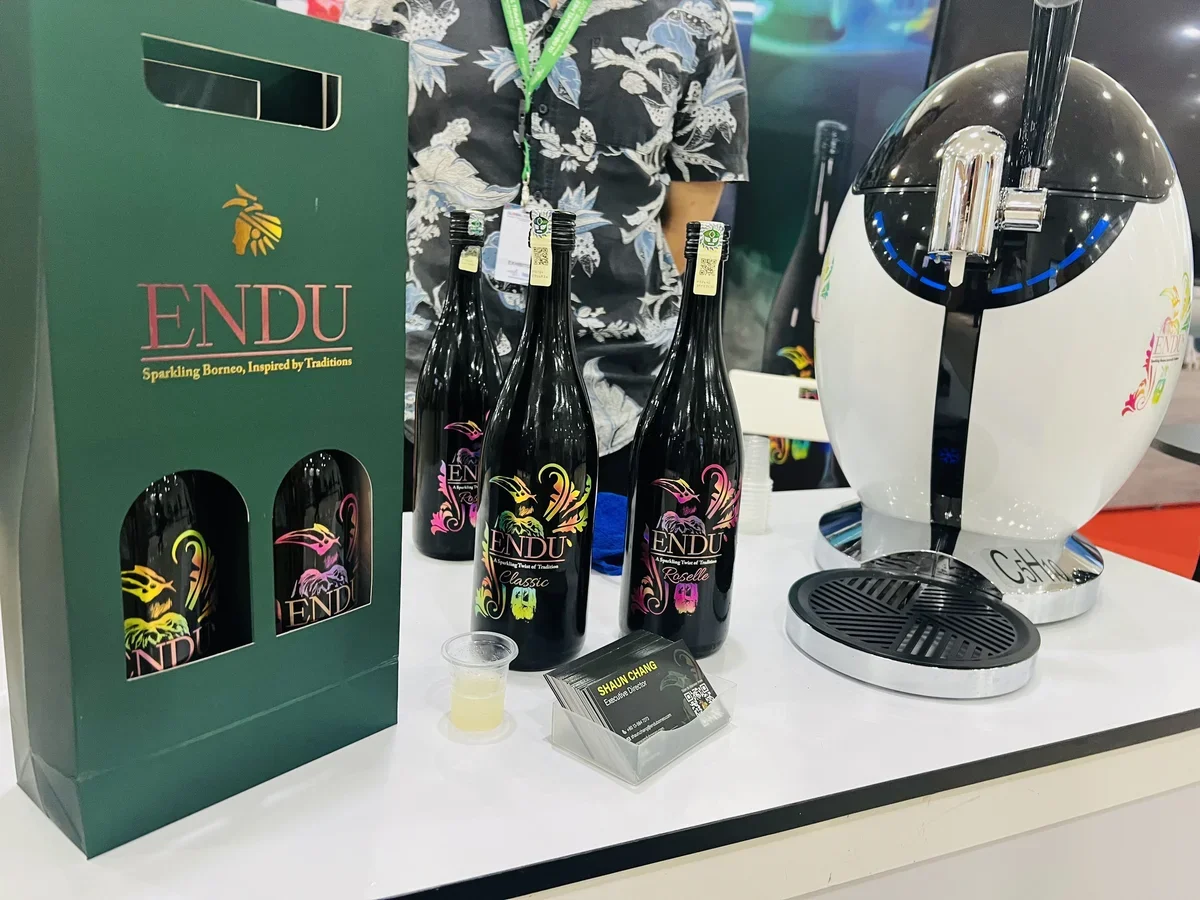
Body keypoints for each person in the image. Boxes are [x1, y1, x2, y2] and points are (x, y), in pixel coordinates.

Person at [273, 0, 749, 507]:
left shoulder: (694, 12)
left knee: (594, 557)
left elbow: (693, 201)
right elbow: (345, 163)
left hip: (614, 390)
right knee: (419, 555)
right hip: (424, 378)